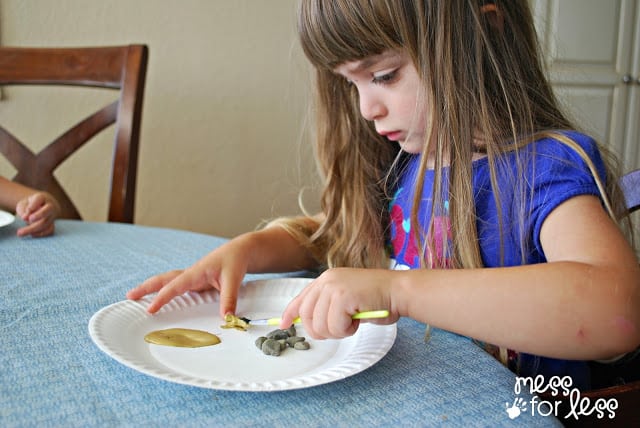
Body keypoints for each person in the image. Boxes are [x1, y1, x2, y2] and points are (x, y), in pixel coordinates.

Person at [127, 0, 640, 390]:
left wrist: (398, 290)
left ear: (480, 36)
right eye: (350, 83)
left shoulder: (545, 167)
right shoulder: (407, 165)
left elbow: (615, 312)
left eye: (383, 75)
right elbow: (334, 237)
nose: (366, 106)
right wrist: (247, 249)